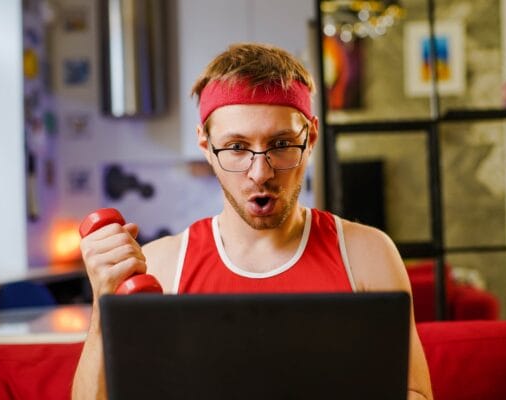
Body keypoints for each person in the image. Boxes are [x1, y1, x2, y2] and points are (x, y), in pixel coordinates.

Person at [72, 42, 433, 400]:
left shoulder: (368, 254)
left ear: (311, 138)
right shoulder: (162, 266)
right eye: (236, 147)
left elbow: (416, 393)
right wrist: (104, 310)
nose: (260, 173)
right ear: (205, 145)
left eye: (280, 144)